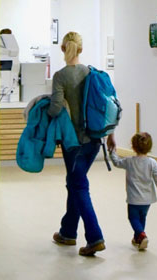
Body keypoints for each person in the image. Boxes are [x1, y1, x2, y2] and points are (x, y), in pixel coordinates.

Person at [49, 32, 105, 256]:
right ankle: (68, 232)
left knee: (79, 186)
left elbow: (54, 109)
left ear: (63, 49)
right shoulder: (90, 72)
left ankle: (95, 237)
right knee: (74, 181)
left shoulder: (60, 76)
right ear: (80, 49)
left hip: (74, 142)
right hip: (94, 140)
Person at [106, 132, 157, 251]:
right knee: (142, 218)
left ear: (133, 147)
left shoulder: (129, 161)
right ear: (149, 147)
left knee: (133, 218)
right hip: (147, 200)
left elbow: (116, 162)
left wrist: (112, 151)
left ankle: (141, 235)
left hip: (134, 199)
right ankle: (137, 238)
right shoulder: (152, 163)